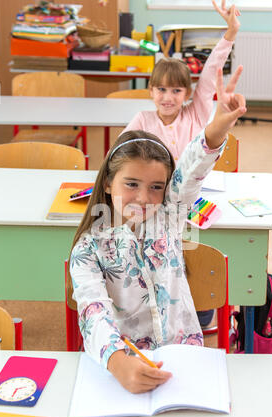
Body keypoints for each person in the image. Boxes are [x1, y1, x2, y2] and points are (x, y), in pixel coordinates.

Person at [68, 65, 246, 394]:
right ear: (108, 182)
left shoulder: (169, 215)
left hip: (183, 355)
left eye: (156, 187)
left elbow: (192, 170)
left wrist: (217, 126)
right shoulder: (88, 248)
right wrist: (118, 361)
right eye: (131, 184)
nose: (143, 197)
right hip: (120, 362)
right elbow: (92, 309)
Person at [123, 1, 241, 162]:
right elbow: (119, 152)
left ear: (188, 94)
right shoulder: (142, 120)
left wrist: (231, 32)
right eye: (161, 89)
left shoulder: (195, 115)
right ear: (151, 90)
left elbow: (210, 73)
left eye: (176, 90)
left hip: (190, 186)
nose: (168, 98)